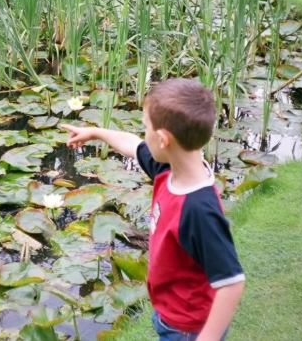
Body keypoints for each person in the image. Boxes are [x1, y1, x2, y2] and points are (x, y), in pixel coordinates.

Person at [61, 79, 244, 341]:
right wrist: (95, 132)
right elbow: (133, 145)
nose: (143, 134)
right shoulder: (169, 167)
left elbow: (231, 282)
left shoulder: (198, 209)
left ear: (163, 139)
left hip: (187, 327)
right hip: (169, 312)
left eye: (145, 127)